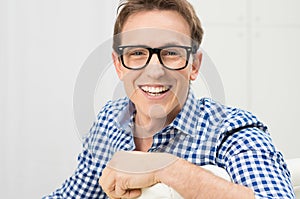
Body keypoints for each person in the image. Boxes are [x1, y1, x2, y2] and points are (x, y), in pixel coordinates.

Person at [44, 0, 295, 198]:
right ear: (119, 65)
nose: (154, 70)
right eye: (137, 53)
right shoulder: (110, 121)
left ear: (194, 66)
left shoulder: (231, 129)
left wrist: (163, 167)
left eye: (172, 52)